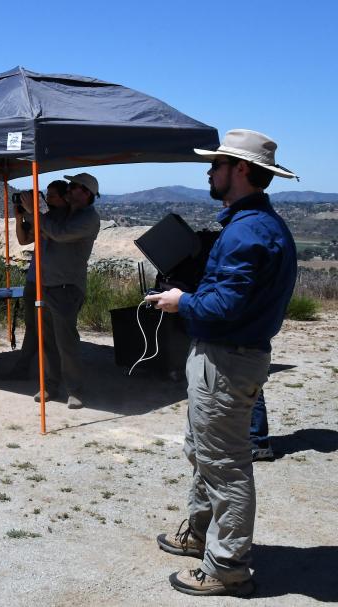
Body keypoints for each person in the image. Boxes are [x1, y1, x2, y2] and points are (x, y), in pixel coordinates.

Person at [147, 129, 297, 597]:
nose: (209, 171)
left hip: (228, 359)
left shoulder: (249, 232)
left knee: (226, 464)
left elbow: (222, 308)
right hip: (225, 356)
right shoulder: (250, 225)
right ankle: (197, 534)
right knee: (203, 451)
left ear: (241, 171)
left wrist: (180, 301)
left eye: (217, 165)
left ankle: (228, 565)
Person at [20, 173, 101, 408]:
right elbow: (41, 230)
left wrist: (33, 212)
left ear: (86, 193)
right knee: (47, 340)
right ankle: (50, 385)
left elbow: (58, 234)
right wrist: (27, 214)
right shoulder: (67, 214)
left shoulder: (88, 219)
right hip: (47, 284)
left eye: (74, 186)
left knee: (65, 341)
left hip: (67, 287)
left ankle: (74, 389)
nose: (69, 189)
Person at [5, 180, 69, 378]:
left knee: (48, 331)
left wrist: (33, 212)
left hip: (50, 281)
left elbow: (53, 234)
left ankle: (41, 373)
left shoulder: (65, 220)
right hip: (35, 278)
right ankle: (24, 368)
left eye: (51, 195)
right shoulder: (45, 217)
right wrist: (19, 219)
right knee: (33, 327)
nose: (47, 199)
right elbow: (24, 240)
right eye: (46, 195)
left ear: (64, 197)